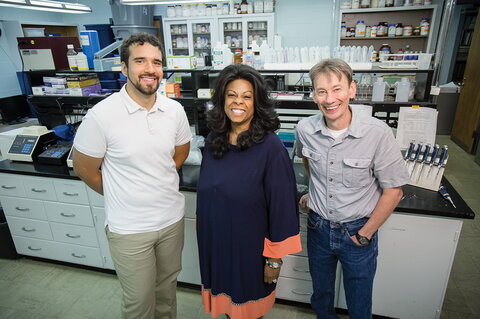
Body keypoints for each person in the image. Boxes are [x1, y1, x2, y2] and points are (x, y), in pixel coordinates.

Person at [72, 32, 192, 319]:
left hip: (171, 222)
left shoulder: (174, 110)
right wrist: (124, 192)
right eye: (140, 61)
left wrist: (151, 181)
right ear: (124, 68)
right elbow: (85, 169)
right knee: (139, 304)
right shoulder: (102, 116)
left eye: (156, 62)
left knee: (166, 293)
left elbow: (180, 154)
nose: (150, 69)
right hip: (129, 229)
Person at [295, 58, 409, 319]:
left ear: (352, 90)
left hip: (358, 232)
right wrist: (314, 192)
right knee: (320, 295)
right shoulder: (305, 129)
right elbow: (307, 159)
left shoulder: (378, 133)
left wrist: (365, 234)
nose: (329, 98)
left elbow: (394, 191)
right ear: (314, 95)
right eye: (322, 91)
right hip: (318, 228)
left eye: (337, 89)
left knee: (358, 302)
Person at [196, 64, 302, 319]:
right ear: (222, 98)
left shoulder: (270, 147)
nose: (238, 102)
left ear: (258, 103)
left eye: (247, 96)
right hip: (217, 245)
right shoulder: (214, 139)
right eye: (232, 95)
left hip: (250, 252)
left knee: (247, 311)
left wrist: (274, 261)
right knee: (228, 308)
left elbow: (282, 207)